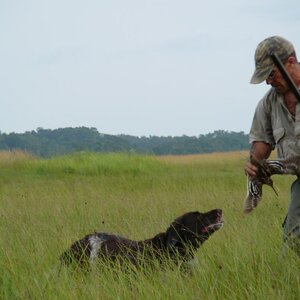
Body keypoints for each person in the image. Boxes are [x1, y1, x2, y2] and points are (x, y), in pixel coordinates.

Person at [245, 36, 300, 253]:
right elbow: (261, 144)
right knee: (292, 239)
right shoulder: (268, 103)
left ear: (290, 62)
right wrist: (254, 164)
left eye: (272, 74)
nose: (269, 81)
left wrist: (277, 166)